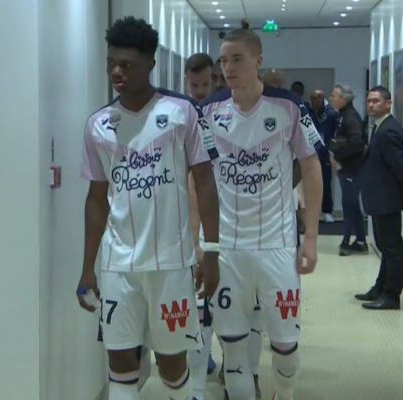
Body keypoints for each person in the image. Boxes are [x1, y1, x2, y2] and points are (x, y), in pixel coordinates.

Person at [76, 17, 220, 400]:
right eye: (111, 63)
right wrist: (87, 267)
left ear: (150, 64)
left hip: (171, 263)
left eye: (127, 65)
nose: (117, 72)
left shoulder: (183, 113)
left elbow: (206, 183)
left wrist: (212, 250)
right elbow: (96, 199)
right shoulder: (98, 125)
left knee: (171, 365)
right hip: (117, 265)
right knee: (121, 363)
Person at [201, 26, 323, 400]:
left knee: (286, 348)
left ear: (258, 61)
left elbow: (312, 167)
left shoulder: (289, 107)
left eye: (237, 59)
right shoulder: (208, 112)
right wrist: (200, 242)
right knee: (234, 350)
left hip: (277, 245)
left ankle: (283, 395)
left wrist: (311, 238)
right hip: (228, 248)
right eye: (223, 61)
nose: (228, 68)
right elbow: (198, 178)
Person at [356, 85, 403, 310]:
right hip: (381, 199)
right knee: (386, 247)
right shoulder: (380, 127)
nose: (371, 105)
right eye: (369, 101)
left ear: (388, 104)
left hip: (387, 199)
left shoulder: (388, 130)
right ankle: (380, 287)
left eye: (376, 101)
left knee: (392, 248)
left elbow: (399, 165)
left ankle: (391, 295)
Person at [184, 51, 218, 400]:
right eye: (195, 86)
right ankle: (200, 364)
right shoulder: (183, 117)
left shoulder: (218, 117)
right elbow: (193, 184)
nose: (200, 92)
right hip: (192, 224)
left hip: (224, 223)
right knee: (199, 303)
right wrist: (195, 238)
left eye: (206, 84)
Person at [328, 84, 368, 256]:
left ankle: (345, 242)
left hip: (352, 169)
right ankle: (361, 241)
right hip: (348, 168)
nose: (331, 98)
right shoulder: (342, 115)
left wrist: (338, 156)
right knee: (353, 205)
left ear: (343, 99)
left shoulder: (350, 118)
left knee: (349, 205)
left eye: (334, 96)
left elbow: (357, 143)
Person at [310, 90, 338, 223]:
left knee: (325, 182)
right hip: (312, 152)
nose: (313, 101)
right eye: (311, 98)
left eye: (315, 98)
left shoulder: (331, 114)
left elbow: (336, 133)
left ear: (322, 98)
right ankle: (314, 210)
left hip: (326, 153)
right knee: (312, 183)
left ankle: (327, 210)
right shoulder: (311, 113)